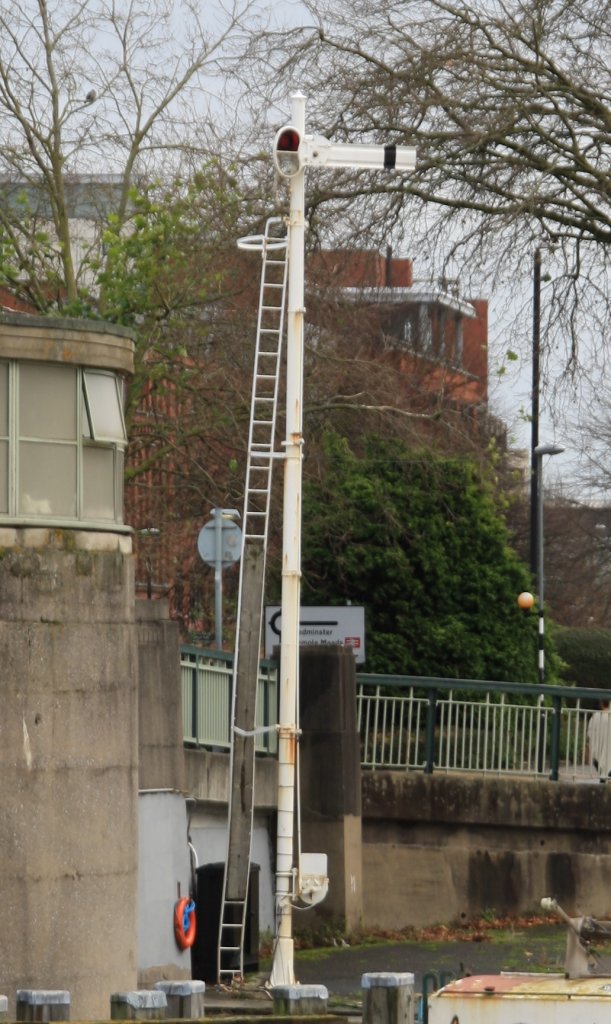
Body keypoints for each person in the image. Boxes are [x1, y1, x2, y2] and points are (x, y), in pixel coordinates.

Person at [587, 701, 611, 781]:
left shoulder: (595, 717)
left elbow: (590, 735)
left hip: (598, 756)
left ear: (601, 703)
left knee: (603, 777)